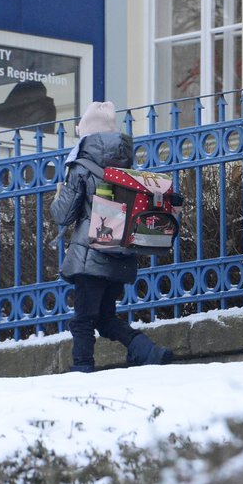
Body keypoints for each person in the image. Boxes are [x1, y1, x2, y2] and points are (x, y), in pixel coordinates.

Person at [51, 101, 173, 372]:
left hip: (90, 253)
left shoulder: (81, 165)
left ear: (85, 132)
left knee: (83, 320)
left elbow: (63, 214)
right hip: (120, 252)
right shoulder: (126, 164)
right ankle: (148, 351)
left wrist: (59, 195)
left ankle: (82, 369)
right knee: (105, 318)